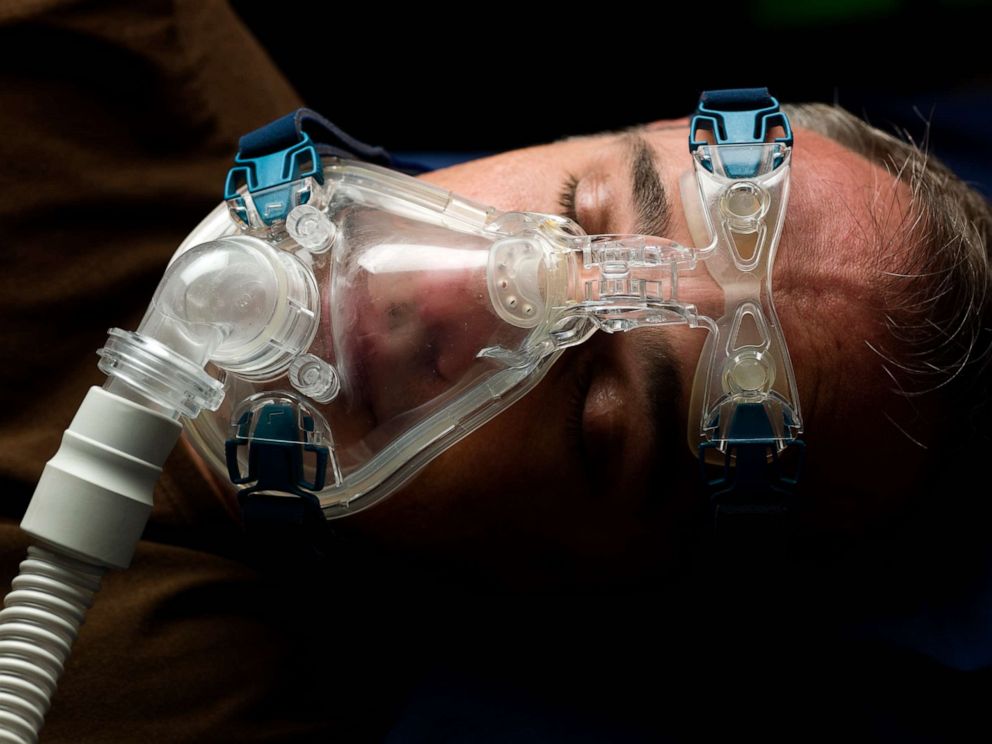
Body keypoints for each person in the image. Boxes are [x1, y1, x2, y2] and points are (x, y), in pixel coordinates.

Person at [2, 1, 990, 741]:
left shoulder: (149, 711)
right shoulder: (105, 47)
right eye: (584, 204)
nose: (458, 298)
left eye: (600, 414)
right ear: (568, 135)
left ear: (592, 588)